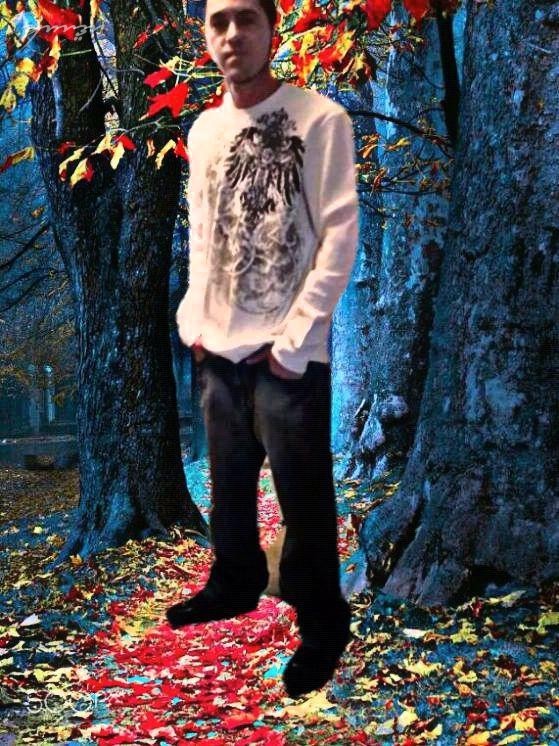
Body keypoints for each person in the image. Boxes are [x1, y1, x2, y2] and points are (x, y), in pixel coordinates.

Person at [166, 0, 360, 699]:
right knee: (228, 484)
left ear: (273, 31)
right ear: (205, 35)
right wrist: (193, 320)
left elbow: (338, 234)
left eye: (246, 19)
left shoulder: (320, 119)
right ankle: (235, 579)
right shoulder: (204, 129)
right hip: (217, 348)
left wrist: (295, 341)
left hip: (286, 352)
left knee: (303, 499)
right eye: (218, 22)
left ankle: (323, 624)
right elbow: (202, 235)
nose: (231, 35)